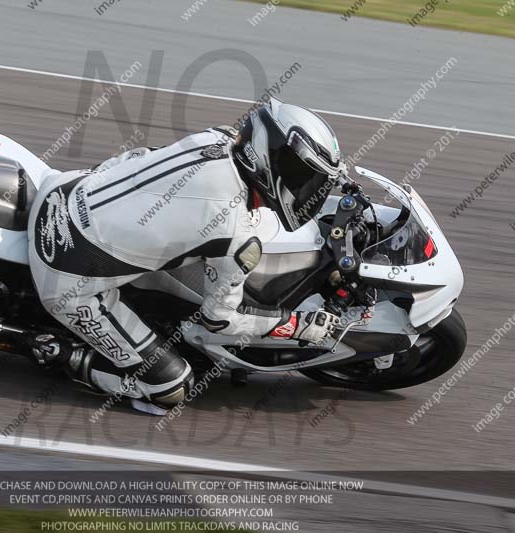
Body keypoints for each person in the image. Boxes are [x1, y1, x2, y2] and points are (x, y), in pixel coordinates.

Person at [27, 98, 342, 415]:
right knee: (173, 388)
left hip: (65, 187)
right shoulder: (237, 235)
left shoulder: (216, 138)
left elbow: (140, 156)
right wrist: (297, 326)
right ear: (272, 159)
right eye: (304, 177)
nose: (307, 189)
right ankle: (59, 352)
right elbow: (220, 320)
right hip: (65, 276)